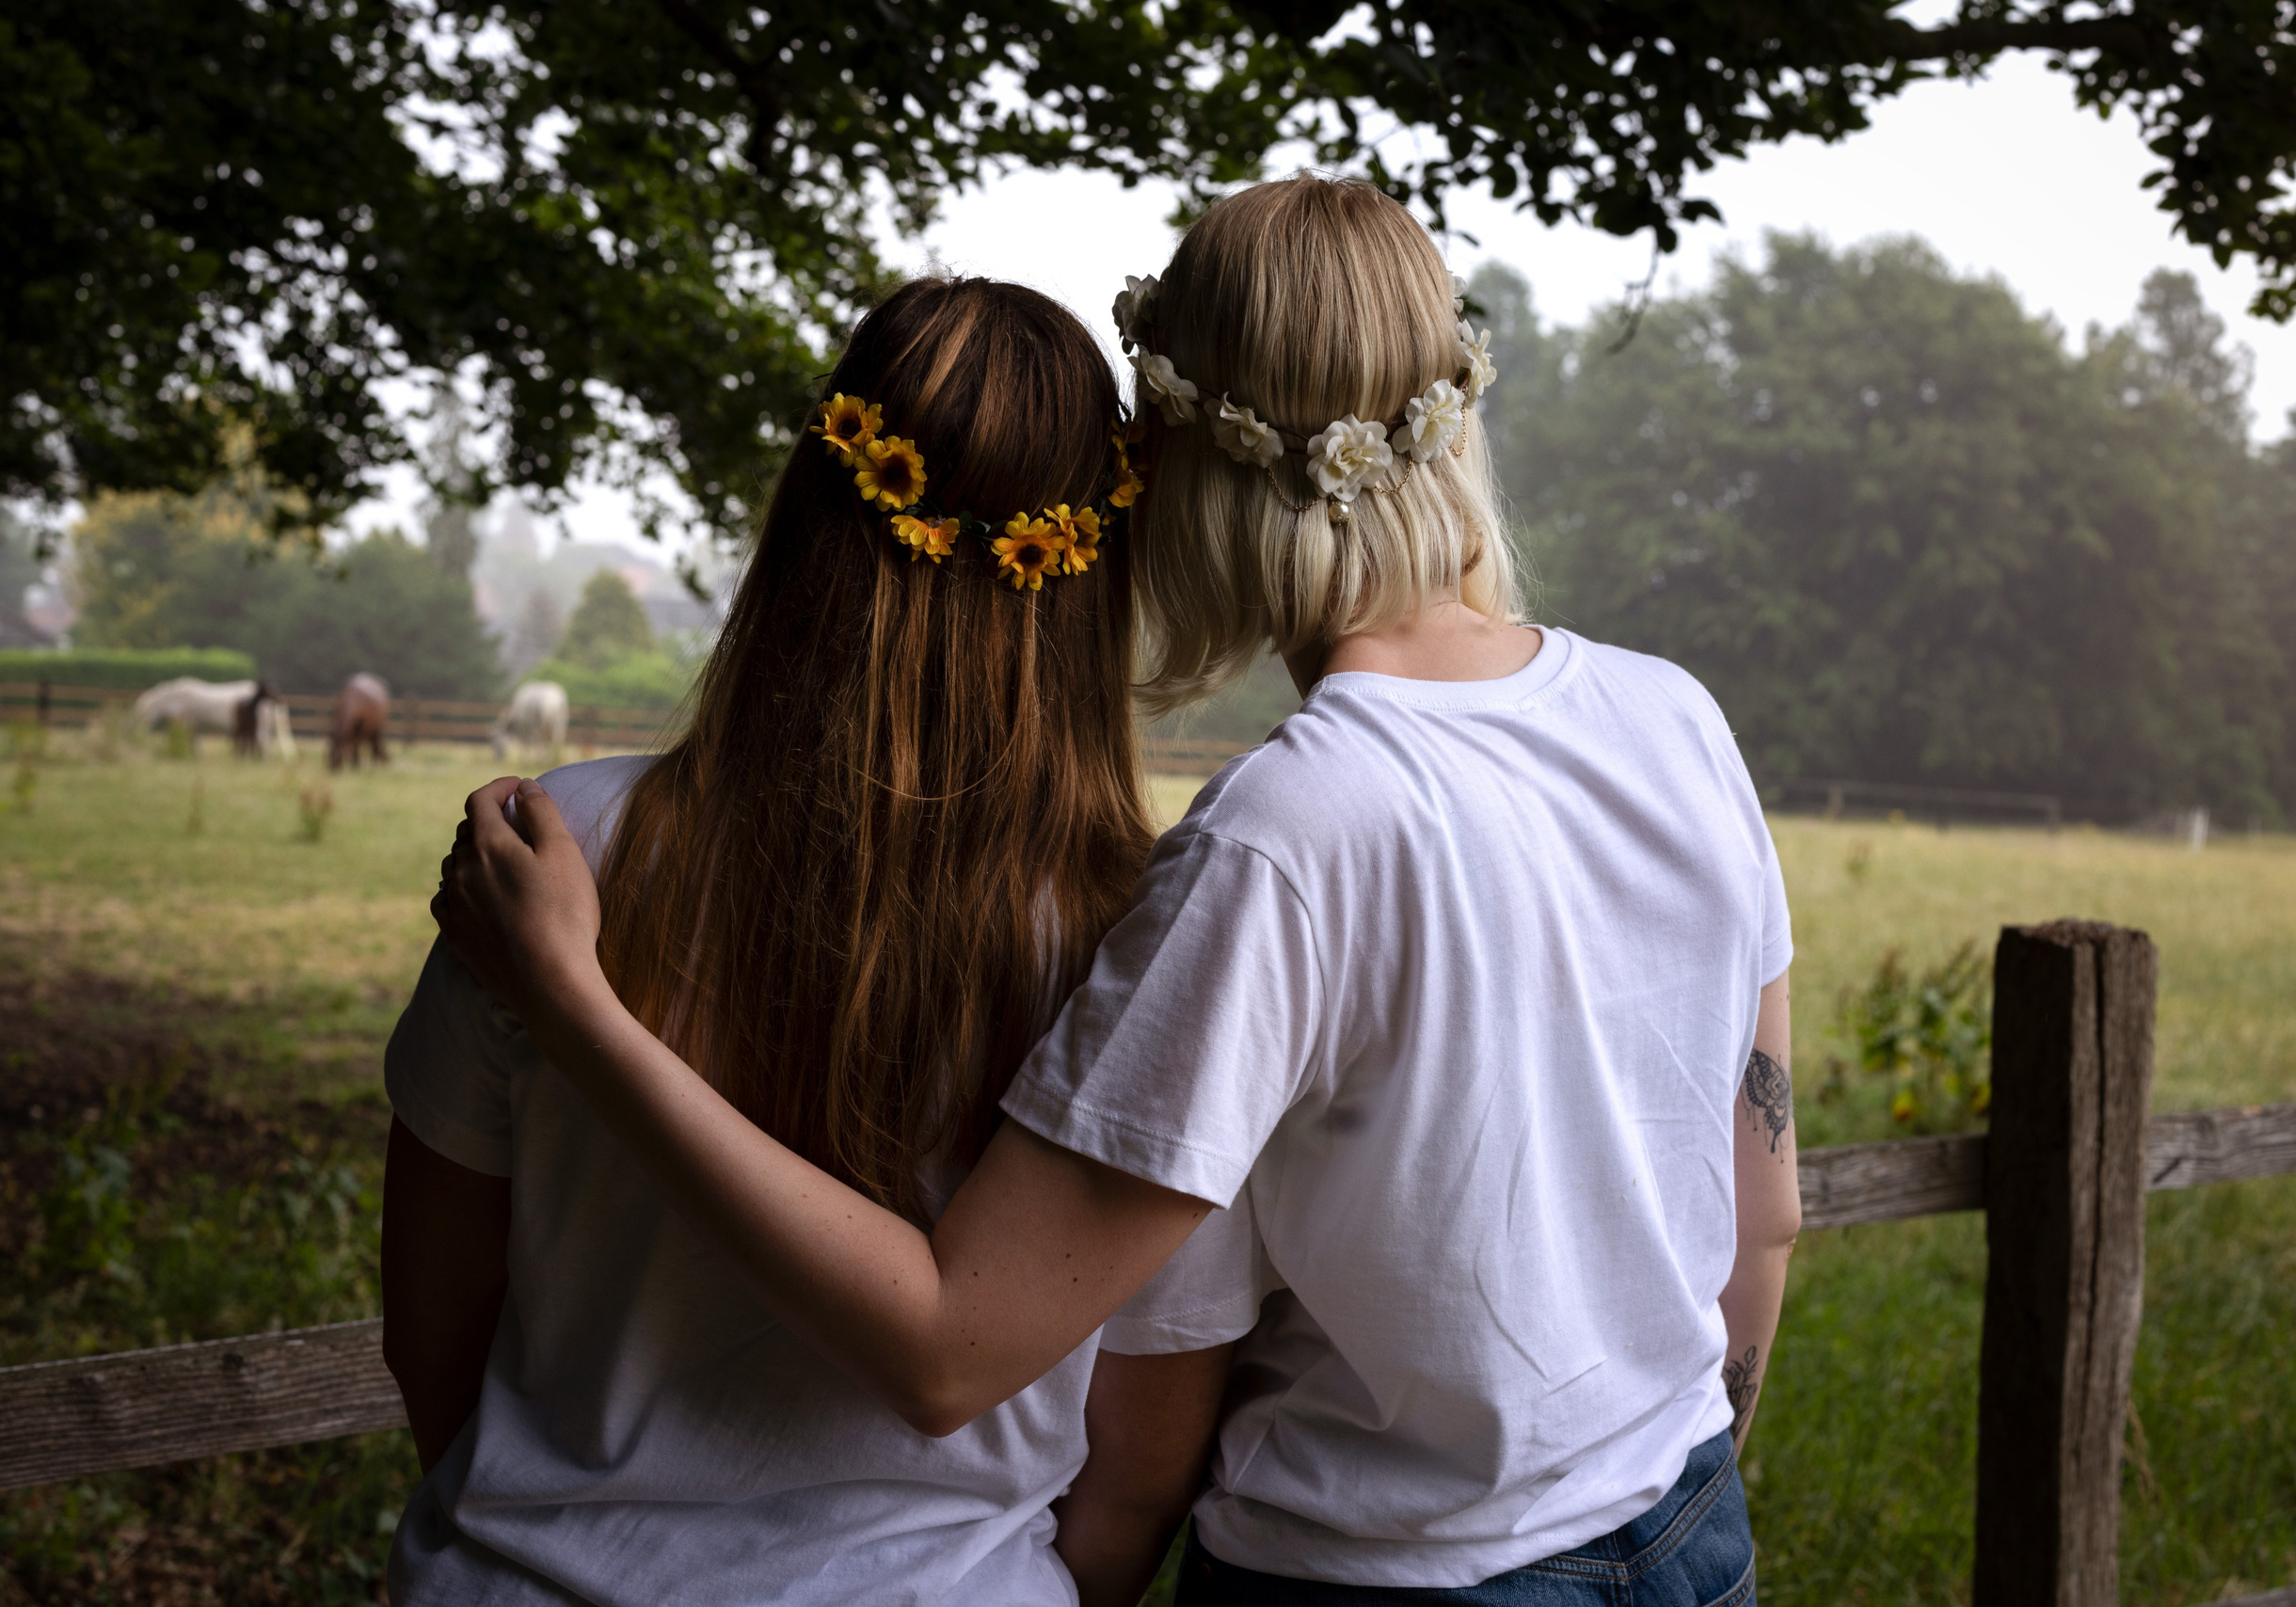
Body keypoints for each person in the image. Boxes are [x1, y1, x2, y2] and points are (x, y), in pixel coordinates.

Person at [437, 175, 1800, 1606]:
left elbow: (955, 1344)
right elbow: (1758, 1214)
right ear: (1453, 415)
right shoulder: (1672, 716)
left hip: (1394, 1575)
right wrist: (1654, 1500)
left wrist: (581, 1008)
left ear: (1183, 470)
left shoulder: (1283, 831)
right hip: (1687, 1524)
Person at [378, 276, 1200, 1606]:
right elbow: (1141, 1453)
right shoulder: (1148, 932)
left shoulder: (552, 859)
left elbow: (433, 1322)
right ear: (1096, 561)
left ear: (811, 507)